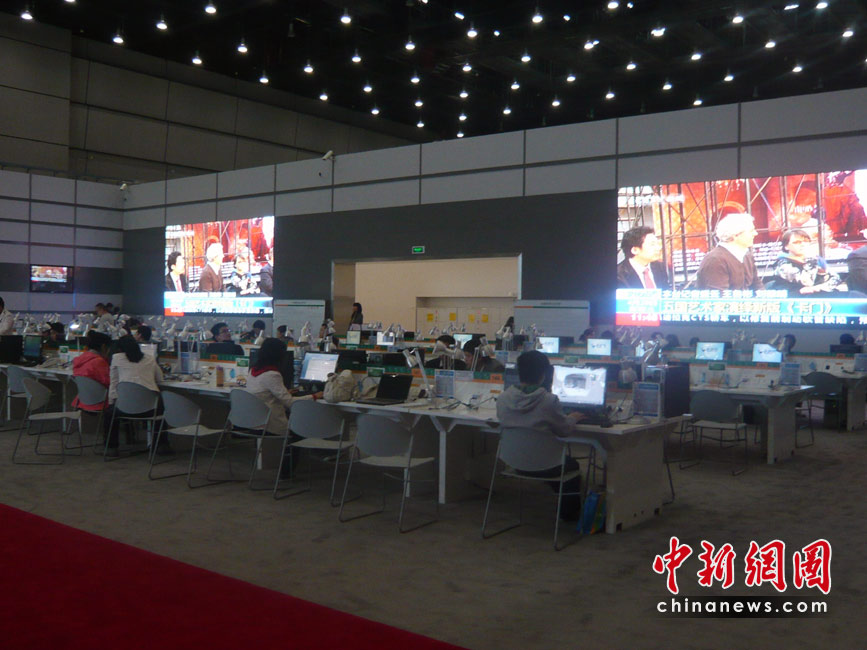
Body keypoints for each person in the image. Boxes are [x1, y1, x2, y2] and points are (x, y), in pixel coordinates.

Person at [495, 350, 584, 520]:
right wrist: (572, 418)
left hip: (514, 462)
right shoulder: (549, 401)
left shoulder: (503, 399)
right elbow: (564, 430)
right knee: (571, 465)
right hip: (546, 465)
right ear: (544, 374)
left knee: (550, 462)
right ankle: (569, 515)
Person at [245, 337, 320, 437]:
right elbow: (290, 403)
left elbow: (265, 394)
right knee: (305, 426)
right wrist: (314, 396)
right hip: (272, 427)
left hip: (255, 423)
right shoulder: (272, 374)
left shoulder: (252, 371)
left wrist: (285, 392)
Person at [105, 335, 165, 455]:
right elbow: (160, 379)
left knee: (109, 414)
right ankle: (162, 445)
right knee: (161, 409)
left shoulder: (116, 358)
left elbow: (114, 382)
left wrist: (111, 403)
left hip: (124, 408)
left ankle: (111, 447)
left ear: (119, 349)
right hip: (150, 409)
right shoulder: (150, 358)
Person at [695, 213, 764, 291]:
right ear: (735, 236)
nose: (755, 234)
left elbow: (758, 287)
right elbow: (719, 296)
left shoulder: (747, 256)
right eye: (751, 231)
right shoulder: (715, 260)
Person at [772, 228, 840, 295]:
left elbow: (836, 279)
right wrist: (811, 263)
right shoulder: (782, 264)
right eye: (797, 242)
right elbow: (807, 282)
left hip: (817, 295)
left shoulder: (816, 259)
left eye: (806, 241)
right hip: (793, 297)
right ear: (786, 246)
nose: (802, 244)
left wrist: (818, 288)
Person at [616, 226, 670, 290]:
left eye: (657, 244)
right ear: (635, 250)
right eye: (652, 244)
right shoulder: (618, 275)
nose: (658, 248)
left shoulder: (660, 267)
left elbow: (665, 292)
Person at [71, 330, 112, 413]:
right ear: (104, 347)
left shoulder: (79, 360)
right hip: (100, 402)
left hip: (82, 401)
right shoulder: (99, 362)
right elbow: (109, 383)